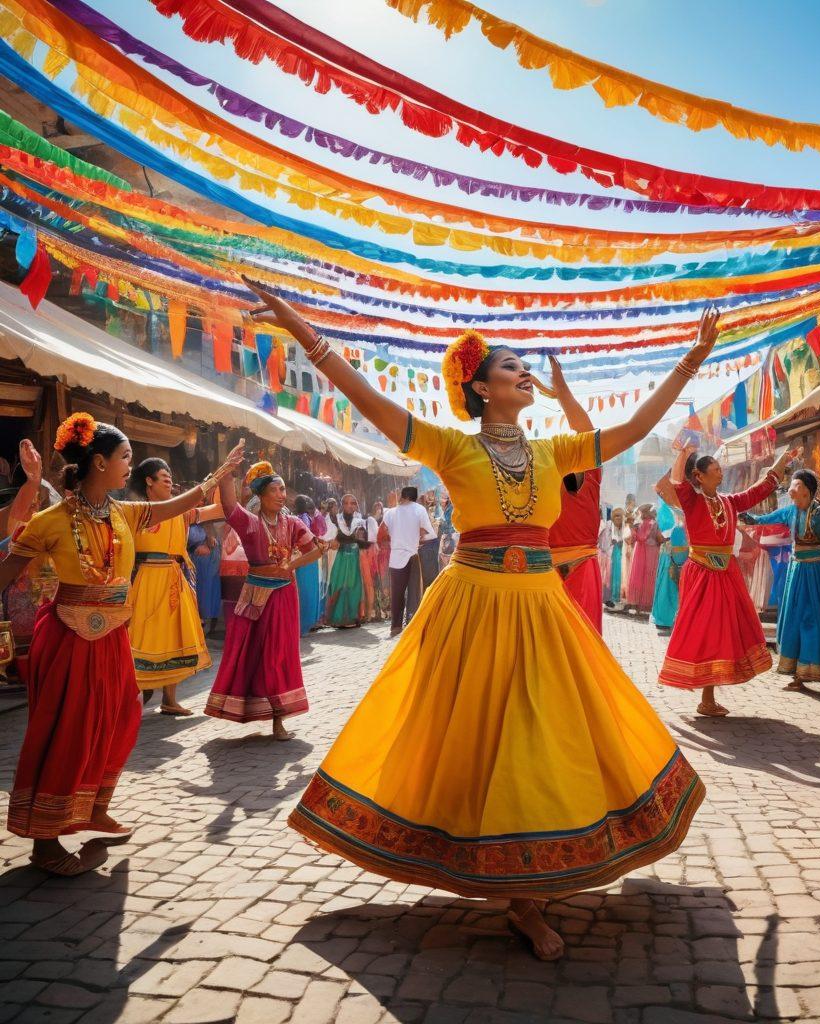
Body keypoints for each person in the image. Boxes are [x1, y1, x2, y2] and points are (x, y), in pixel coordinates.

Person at [243, 278, 717, 961]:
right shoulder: (449, 446)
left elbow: (634, 430)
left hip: (541, 607)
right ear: (481, 388)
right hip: (471, 607)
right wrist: (303, 331)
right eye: (511, 367)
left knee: (541, 733)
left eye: (524, 367)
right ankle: (511, 887)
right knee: (475, 738)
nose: (525, 374)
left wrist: (690, 362)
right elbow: (368, 399)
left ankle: (529, 882)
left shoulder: (554, 452)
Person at [0, 416, 242, 874]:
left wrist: (218, 477)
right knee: (68, 730)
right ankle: (45, 841)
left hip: (112, 636)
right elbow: (6, 572)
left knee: (122, 717)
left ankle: (93, 808)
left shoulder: (123, 514)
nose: (131, 465)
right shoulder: (52, 521)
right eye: (126, 457)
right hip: (68, 638)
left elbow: (178, 505)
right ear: (99, 462)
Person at [659, 442, 801, 717]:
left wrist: (783, 460)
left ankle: (708, 697)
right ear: (699, 476)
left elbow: (759, 489)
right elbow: (677, 480)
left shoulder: (729, 502)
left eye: (719, 469)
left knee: (727, 630)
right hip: (702, 573)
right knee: (706, 631)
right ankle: (706, 698)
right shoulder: (692, 500)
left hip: (726, 572)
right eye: (715, 469)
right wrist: (683, 454)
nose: (720, 473)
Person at [204, 460, 322, 740]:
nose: (282, 495)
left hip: (285, 595)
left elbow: (316, 549)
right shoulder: (250, 523)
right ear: (261, 494)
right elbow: (229, 506)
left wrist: (291, 565)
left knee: (279, 654)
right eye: (275, 490)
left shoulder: (292, 524)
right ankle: (253, 709)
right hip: (255, 594)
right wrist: (228, 472)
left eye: (283, 490)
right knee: (251, 653)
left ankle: (279, 720)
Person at [739, 470, 820, 688]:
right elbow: (762, 519)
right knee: (794, 618)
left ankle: (818, 668)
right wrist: (743, 515)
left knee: (817, 618)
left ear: (808, 490)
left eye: (796, 484)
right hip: (797, 570)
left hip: (819, 571)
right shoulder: (790, 511)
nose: (791, 489)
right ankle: (799, 674)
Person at [127, 458, 219, 715]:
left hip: (175, 580)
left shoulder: (183, 513)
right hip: (145, 579)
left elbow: (219, 509)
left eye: (170, 477)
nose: (170, 481)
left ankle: (169, 699)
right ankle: (136, 693)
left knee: (175, 635)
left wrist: (221, 481)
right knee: (142, 636)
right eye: (164, 477)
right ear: (149, 481)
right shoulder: (136, 512)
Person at [540, 359, 604, 633]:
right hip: (546, 573)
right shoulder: (543, 481)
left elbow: (588, 433)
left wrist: (562, 392)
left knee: (584, 642)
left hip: (582, 568)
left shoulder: (592, 475)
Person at [1, 441, 59, 679]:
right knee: (31, 668)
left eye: (39, 501)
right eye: (31, 501)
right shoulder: (13, 523)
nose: (36, 506)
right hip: (23, 604)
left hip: (50, 604)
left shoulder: (44, 523)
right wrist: (33, 479)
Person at [382, 485, 435, 638]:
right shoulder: (419, 509)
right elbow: (430, 534)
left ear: (402, 496)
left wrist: (396, 538)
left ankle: (395, 626)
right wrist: (418, 537)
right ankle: (412, 622)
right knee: (414, 591)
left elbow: (383, 533)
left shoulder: (390, 512)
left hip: (395, 557)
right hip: (412, 554)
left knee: (397, 593)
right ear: (415, 497)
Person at [325, 494, 368, 629]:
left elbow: (363, 540)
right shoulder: (334, 519)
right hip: (340, 557)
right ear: (342, 505)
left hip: (355, 557)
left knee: (354, 587)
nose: (349, 506)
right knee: (339, 585)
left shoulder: (360, 521)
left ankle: (353, 617)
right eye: (346, 503)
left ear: (356, 505)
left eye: (353, 503)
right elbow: (329, 538)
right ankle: (337, 618)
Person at [650, 489, 688, 635]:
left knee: (671, 586)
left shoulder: (676, 511)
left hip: (677, 553)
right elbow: (664, 534)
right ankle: (666, 620)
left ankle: (670, 620)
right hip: (671, 553)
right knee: (669, 585)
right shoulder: (668, 510)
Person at [294, 495, 325, 634]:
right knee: (307, 590)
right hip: (308, 557)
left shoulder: (299, 518)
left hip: (303, 557)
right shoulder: (305, 517)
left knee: (303, 590)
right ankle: (304, 624)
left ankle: (301, 624)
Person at [625, 503, 662, 615]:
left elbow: (631, 540)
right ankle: (646, 605)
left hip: (639, 552)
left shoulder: (638, 524)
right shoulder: (655, 524)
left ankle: (635, 603)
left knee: (637, 575)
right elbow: (659, 539)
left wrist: (631, 527)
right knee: (649, 576)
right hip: (651, 552)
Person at [188, 520, 222, 635]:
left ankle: (204, 621)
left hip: (207, 559)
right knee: (201, 588)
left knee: (206, 589)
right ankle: (201, 621)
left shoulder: (206, 525)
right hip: (199, 557)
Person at [358, 502, 382, 622]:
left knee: (367, 583)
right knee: (369, 583)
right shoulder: (371, 520)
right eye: (377, 508)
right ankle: (368, 614)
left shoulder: (363, 520)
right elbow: (375, 537)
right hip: (368, 552)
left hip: (364, 551)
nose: (379, 511)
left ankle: (367, 613)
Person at [604, 507, 628, 608]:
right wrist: (612, 542)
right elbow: (605, 541)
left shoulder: (625, 527)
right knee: (612, 573)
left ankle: (618, 596)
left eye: (619, 516)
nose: (618, 518)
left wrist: (623, 542)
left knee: (620, 573)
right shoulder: (609, 526)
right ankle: (612, 596)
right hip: (612, 553)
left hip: (622, 553)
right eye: (616, 516)